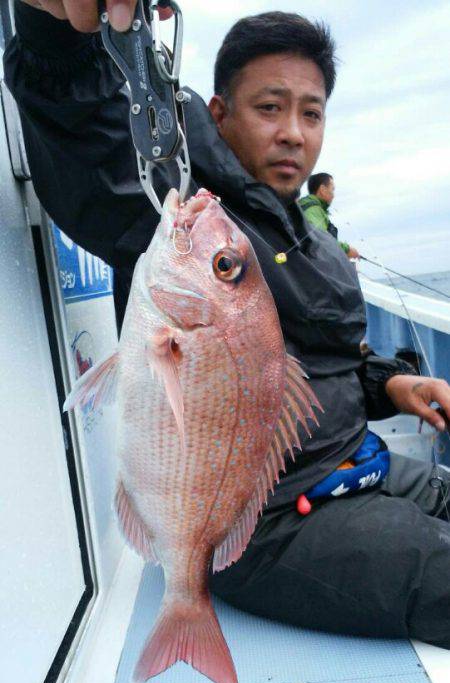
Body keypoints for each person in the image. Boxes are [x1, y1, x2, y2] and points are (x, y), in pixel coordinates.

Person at [4, 2, 450, 648]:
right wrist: (52, 32)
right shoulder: (172, 206)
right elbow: (87, 138)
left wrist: (390, 387)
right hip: (267, 519)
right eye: (270, 107)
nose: (294, 132)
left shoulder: (305, 233)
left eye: (311, 111)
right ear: (218, 114)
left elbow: (320, 354)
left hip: (357, 458)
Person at [299, 172, 360, 259]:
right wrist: (347, 250)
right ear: (323, 190)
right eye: (332, 189)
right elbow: (319, 238)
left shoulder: (309, 207)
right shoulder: (313, 209)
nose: (333, 195)